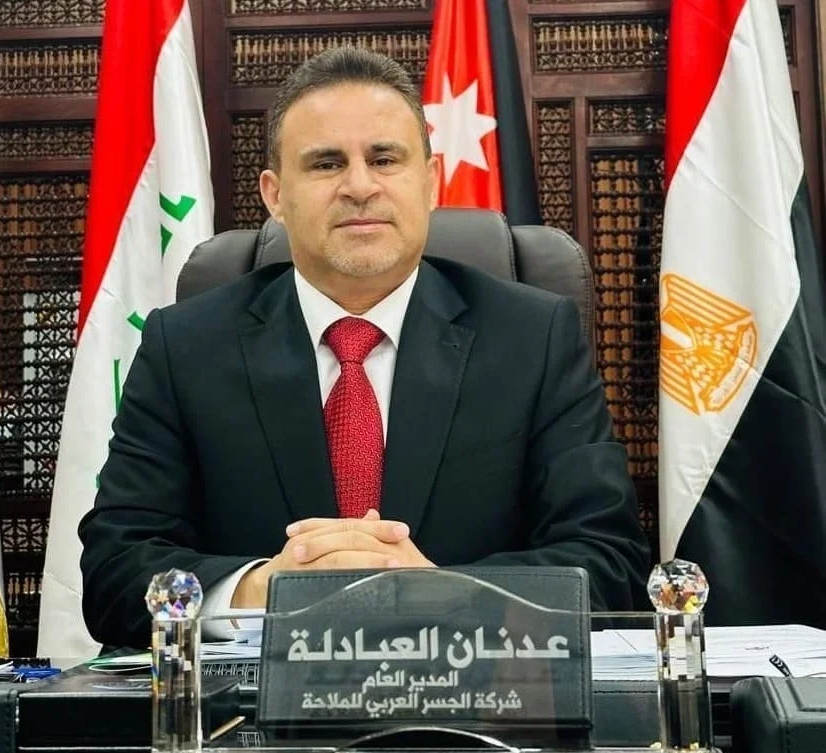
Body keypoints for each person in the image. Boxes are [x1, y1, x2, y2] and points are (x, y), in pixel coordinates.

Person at [78, 46, 651, 649]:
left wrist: (443, 594)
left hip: (472, 692)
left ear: (430, 181)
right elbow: (116, 571)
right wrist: (259, 592)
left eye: (384, 159)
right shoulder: (185, 347)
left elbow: (609, 563)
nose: (359, 186)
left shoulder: (533, 339)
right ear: (275, 195)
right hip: (255, 704)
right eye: (326, 164)